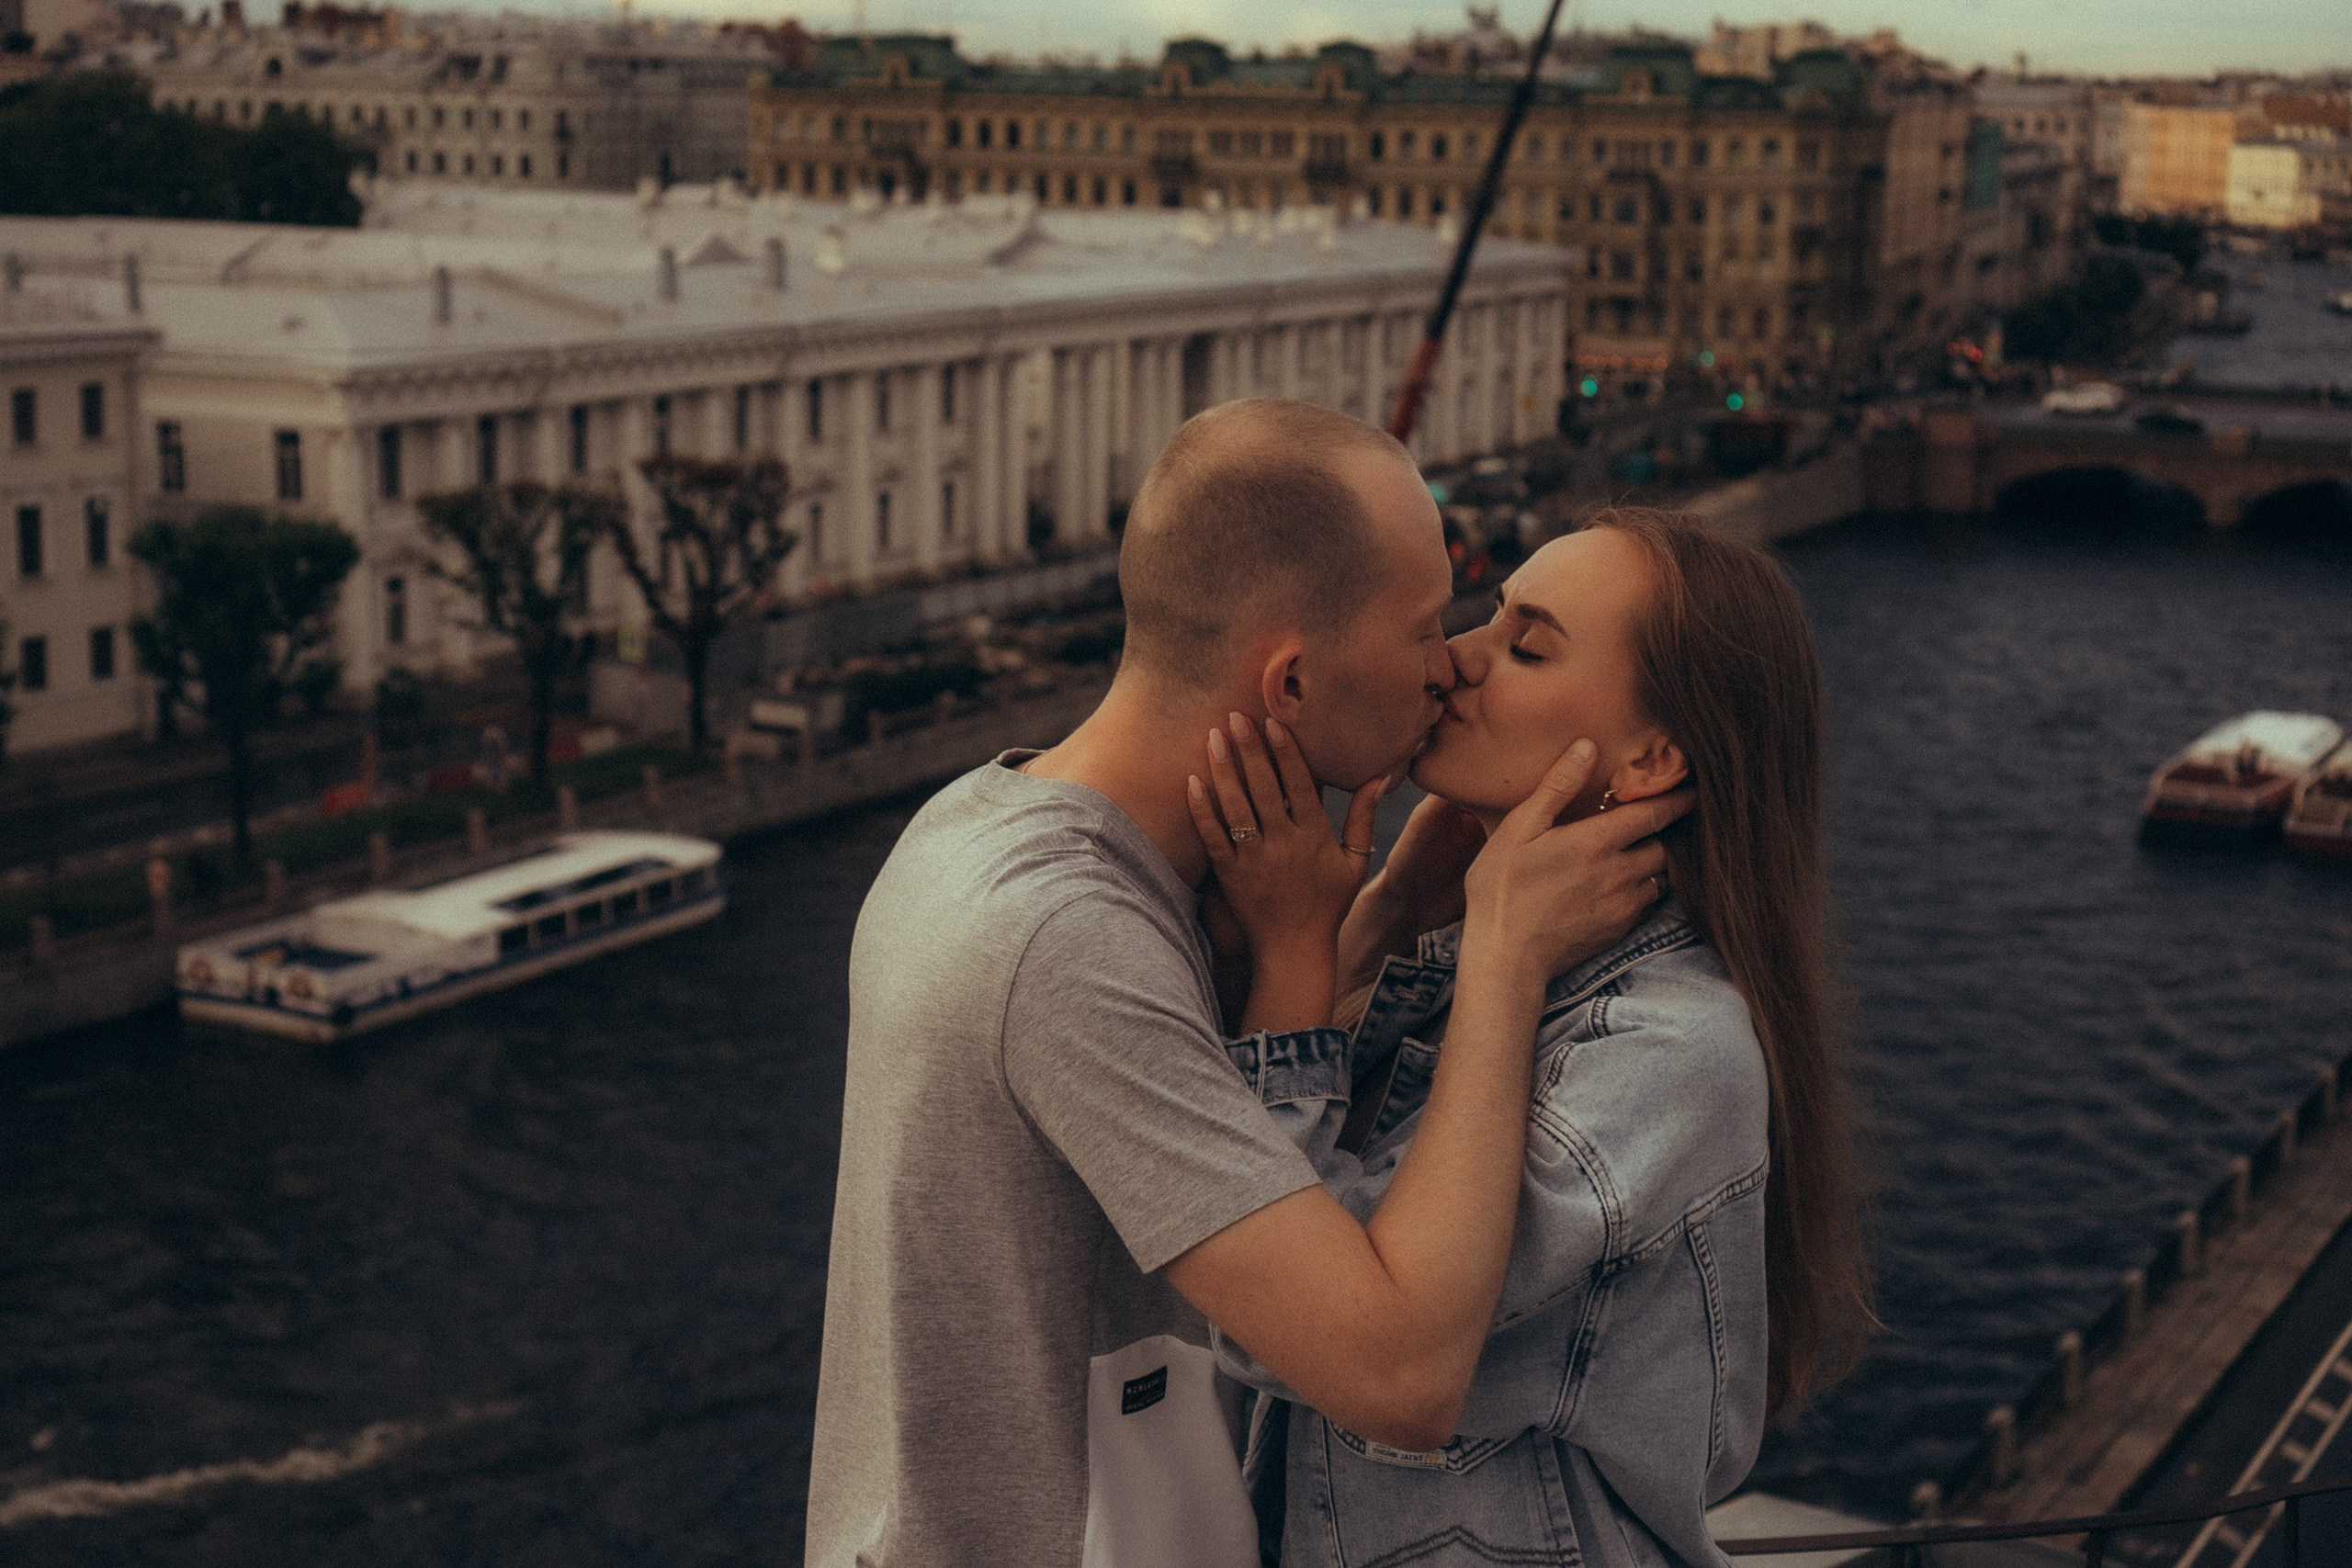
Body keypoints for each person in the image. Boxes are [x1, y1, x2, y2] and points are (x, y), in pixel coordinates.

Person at [804, 402, 1688, 1568]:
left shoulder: (977, 828)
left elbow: (1228, 1151)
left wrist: (1353, 932)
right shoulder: (1065, 943)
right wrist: (1506, 953)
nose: (1448, 669)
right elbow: (1400, 1374)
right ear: (1289, 682)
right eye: (1424, 629)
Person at [1192, 509, 1872, 1567]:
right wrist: (1381, 926)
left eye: (1525, 645)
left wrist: (1296, 955)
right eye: (1487, 615)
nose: (1452, 663)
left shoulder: (1667, 1049)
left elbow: (1282, 1321)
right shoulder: (1482, 947)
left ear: (1649, 760)